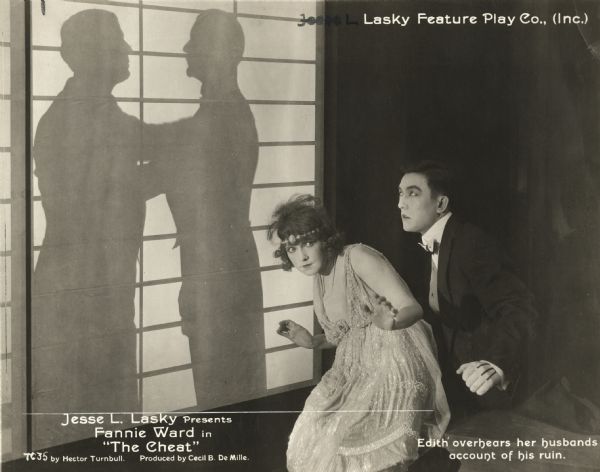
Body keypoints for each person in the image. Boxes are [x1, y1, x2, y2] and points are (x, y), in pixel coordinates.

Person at [268, 195, 449, 472]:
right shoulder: (318, 278)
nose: (301, 256)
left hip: (394, 361)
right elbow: (347, 334)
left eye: (307, 243)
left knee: (355, 448)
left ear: (324, 239)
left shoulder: (357, 256)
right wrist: (312, 341)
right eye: (292, 249)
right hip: (353, 369)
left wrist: (391, 323)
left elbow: (413, 308)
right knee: (309, 435)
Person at [32, 10, 144, 448]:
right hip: (75, 294)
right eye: (117, 41)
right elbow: (100, 195)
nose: (127, 49)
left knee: (110, 426)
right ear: (92, 53)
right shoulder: (73, 117)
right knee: (78, 433)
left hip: (100, 286)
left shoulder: (101, 112)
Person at [150, 10, 265, 407]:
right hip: (224, 266)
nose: (185, 49)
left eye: (195, 41)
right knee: (227, 389)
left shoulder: (221, 117)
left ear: (223, 53)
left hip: (218, 272)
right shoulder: (220, 112)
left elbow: (165, 175)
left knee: (224, 391)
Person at [397, 160, 538, 414]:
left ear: (441, 204)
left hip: (492, 390)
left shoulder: (470, 242)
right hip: (456, 383)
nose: (400, 203)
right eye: (400, 193)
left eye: (412, 193)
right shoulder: (429, 243)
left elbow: (520, 307)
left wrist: (496, 365)